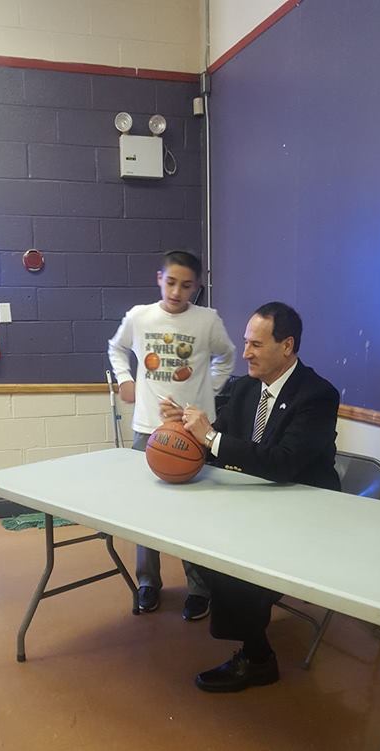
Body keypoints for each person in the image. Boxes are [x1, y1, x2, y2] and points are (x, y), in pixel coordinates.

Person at [160, 301, 340, 692]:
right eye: (245, 342)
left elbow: (283, 463)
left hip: (306, 512)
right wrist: (186, 429)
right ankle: (243, 614)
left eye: (256, 344)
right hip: (256, 504)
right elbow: (218, 445)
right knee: (195, 538)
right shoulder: (244, 388)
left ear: (287, 346)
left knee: (231, 564)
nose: (245, 353)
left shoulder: (318, 395)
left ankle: (258, 659)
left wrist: (211, 436)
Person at [108, 250, 236, 619]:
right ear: (159, 279)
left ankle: (199, 588)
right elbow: (116, 347)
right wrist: (125, 378)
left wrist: (206, 392)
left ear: (196, 287)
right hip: (149, 429)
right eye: (171, 282)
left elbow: (227, 356)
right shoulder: (140, 316)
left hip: (194, 432)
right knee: (145, 513)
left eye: (186, 285)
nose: (177, 292)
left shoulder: (207, 321)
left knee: (194, 516)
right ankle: (148, 582)